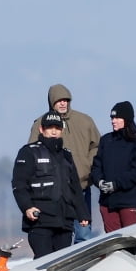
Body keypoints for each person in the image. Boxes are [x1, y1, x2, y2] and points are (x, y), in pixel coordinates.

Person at [27, 84, 100, 241]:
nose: (62, 103)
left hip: (81, 187)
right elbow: (31, 152)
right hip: (52, 193)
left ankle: (85, 265)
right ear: (51, 102)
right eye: (58, 100)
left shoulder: (85, 121)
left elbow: (97, 147)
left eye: (65, 100)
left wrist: (87, 166)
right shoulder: (40, 124)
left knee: (84, 234)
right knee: (58, 238)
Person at [13, 110, 90, 258]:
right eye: (50, 127)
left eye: (57, 128)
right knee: (43, 264)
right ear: (42, 129)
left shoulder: (67, 155)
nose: (54, 131)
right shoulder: (29, 152)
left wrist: (82, 213)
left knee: (61, 265)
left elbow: (75, 187)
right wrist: (27, 207)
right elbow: (19, 184)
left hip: (65, 222)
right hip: (40, 221)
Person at [90, 101, 136, 232]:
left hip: (131, 202)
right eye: (112, 118)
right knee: (113, 247)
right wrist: (100, 182)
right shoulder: (106, 140)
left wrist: (116, 184)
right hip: (108, 203)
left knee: (131, 243)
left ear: (126, 119)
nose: (113, 121)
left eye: (117, 118)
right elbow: (96, 166)